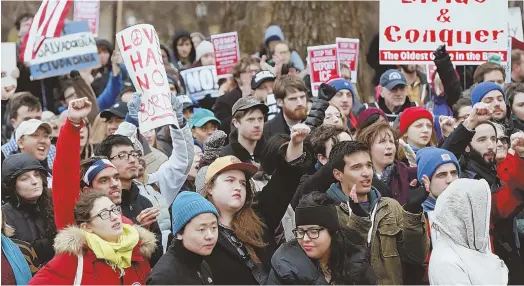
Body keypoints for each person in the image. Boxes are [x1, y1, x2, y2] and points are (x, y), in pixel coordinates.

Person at [201, 123, 309, 284]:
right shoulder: (200, 230)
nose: (238, 186)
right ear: (210, 188)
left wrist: (296, 144)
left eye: (243, 183)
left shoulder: (259, 215)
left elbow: (284, 181)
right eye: (230, 180)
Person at [318, 141, 429, 284]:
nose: (366, 173)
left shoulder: (391, 207)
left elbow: (416, 257)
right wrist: (358, 218)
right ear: (338, 174)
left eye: (369, 165)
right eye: (356, 167)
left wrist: (413, 211)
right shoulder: (327, 210)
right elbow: (340, 261)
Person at [441, 102, 524, 284]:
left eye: (494, 139)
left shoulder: (497, 171)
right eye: (482, 140)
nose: (491, 145)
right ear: (468, 146)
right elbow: (442, 157)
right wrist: (470, 122)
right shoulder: (459, 176)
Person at [29, 192, 157, 285]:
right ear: (87, 227)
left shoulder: (137, 248)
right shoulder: (74, 258)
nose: (114, 216)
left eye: (115, 209)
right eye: (104, 214)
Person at [267, 192, 375, 285]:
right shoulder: (284, 265)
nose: (305, 239)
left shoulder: (356, 261)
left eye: (313, 232)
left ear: (332, 231)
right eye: (300, 232)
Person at [428, 179, 509, 285]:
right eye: (480, 211)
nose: (484, 218)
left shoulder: (465, 247)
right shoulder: (447, 263)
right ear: (464, 214)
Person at [147, 191, 219, 285]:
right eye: (201, 229)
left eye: (213, 228)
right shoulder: (164, 277)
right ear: (179, 233)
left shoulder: (202, 264)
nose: (210, 236)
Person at [1, 153, 57, 265]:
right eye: (24, 178)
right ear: (12, 186)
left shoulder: (55, 204)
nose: (34, 181)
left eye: (36, 175)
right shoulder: (4, 217)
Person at [356, 120, 418, 205]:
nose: (389, 146)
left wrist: (415, 166)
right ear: (368, 147)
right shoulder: (358, 176)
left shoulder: (404, 172)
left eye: (391, 142)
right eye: (382, 141)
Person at [2, 93, 56, 169]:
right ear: (13, 123)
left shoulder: (53, 150)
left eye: (37, 118)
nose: (33, 123)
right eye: (27, 120)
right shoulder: (3, 153)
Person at [214, 57, 261, 135]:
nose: (253, 74)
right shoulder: (224, 100)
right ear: (238, 77)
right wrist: (244, 101)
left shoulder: (266, 94)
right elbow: (223, 128)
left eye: (256, 71)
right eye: (249, 71)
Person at [219, 97, 268, 164]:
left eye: (260, 119)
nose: (257, 124)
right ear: (236, 123)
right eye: (250, 120)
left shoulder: (271, 151)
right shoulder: (225, 156)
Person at [264, 74, 308, 139]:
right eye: (293, 99)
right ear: (279, 102)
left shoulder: (316, 124)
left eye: (302, 97)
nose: (300, 103)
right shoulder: (267, 130)